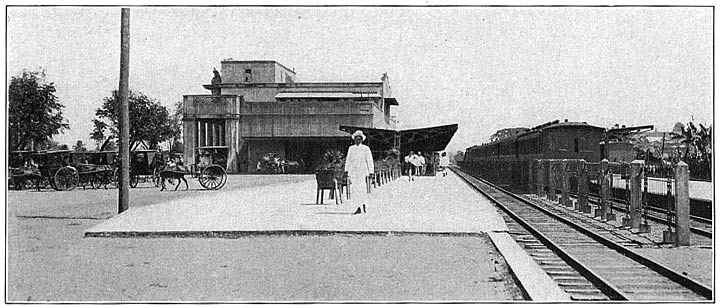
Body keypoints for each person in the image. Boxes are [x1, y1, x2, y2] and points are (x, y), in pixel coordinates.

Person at [345, 130, 374, 215]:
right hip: (354, 172)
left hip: (362, 171)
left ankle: (364, 204)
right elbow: (348, 159)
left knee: (362, 188)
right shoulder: (351, 149)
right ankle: (358, 207)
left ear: (362, 140)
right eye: (356, 139)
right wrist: (346, 170)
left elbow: (369, 160)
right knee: (355, 189)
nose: (358, 140)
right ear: (354, 139)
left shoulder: (365, 148)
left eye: (359, 139)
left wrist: (371, 171)